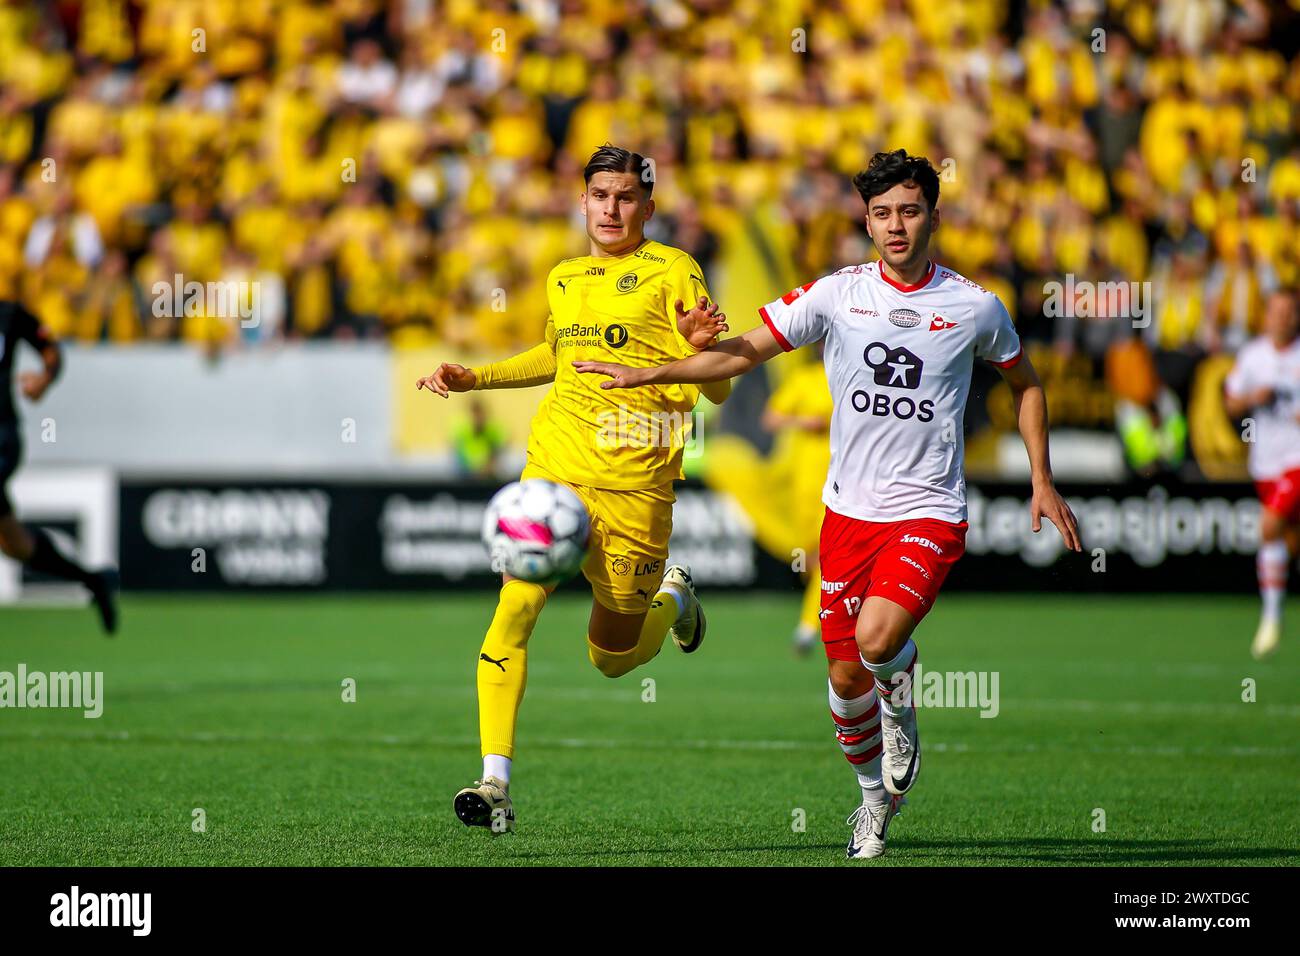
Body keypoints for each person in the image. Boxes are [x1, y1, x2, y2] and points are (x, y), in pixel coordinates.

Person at [576, 149, 1081, 859]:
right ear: (866, 221)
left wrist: (1042, 477)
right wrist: (654, 368)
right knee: (844, 679)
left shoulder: (974, 307)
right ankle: (873, 802)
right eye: (881, 213)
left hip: (928, 511)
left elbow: (1026, 383)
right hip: (846, 516)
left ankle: (901, 696)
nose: (895, 226)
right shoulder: (837, 294)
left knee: (877, 644)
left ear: (933, 215)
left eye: (909, 210)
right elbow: (742, 352)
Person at [416, 145, 730, 832]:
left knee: (611, 659)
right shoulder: (563, 276)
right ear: (582, 201)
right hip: (552, 474)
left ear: (647, 204)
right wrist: (478, 376)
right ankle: (494, 781)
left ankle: (675, 599)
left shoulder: (673, 270)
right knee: (514, 609)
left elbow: (721, 386)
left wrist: (704, 353)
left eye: (625, 197)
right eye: (599, 196)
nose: (611, 209)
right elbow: (554, 355)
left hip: (636, 486)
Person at [0, 300, 117, 632]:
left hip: (2, 439)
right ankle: (94, 579)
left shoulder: (10, 314)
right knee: (15, 544)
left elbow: (51, 352)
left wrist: (44, 379)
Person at [1223, 288, 1300, 659]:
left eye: (1290, 312)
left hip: (1297, 460)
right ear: (1266, 315)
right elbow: (1231, 401)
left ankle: (1271, 618)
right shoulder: (1253, 356)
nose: (1283, 318)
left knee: (1268, 527)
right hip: (1265, 462)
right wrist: (1255, 398)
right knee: (1289, 542)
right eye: (1277, 311)